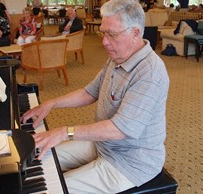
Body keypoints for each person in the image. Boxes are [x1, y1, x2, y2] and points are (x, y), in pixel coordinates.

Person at [21, 0, 170, 193]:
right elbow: (89, 92)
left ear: (135, 33)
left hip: (131, 162)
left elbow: (119, 130)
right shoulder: (117, 57)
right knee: (37, 156)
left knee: (51, 188)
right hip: (104, 145)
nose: (104, 41)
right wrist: (50, 104)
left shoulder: (150, 72)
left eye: (112, 34)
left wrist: (65, 132)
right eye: (103, 32)